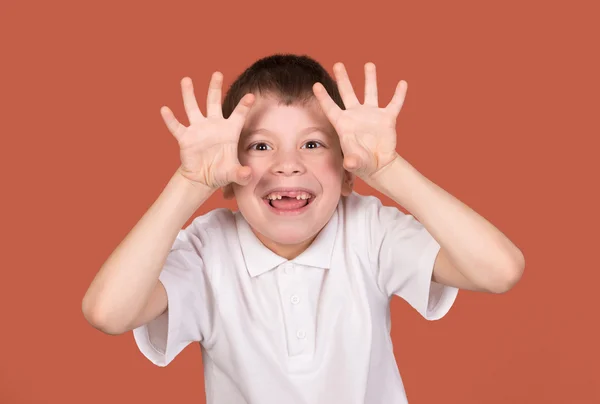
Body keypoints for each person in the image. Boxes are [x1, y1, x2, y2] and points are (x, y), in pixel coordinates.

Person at [82, 53, 525, 404]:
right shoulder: (206, 250)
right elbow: (108, 312)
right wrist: (188, 184)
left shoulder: (368, 230)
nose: (287, 164)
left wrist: (388, 169)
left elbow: (499, 270)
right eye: (260, 146)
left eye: (312, 144)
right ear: (230, 173)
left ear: (347, 170)